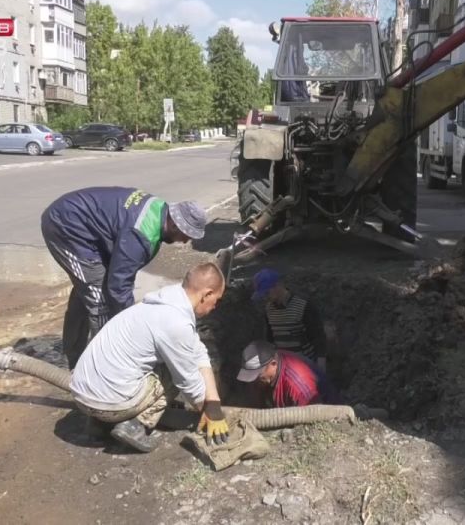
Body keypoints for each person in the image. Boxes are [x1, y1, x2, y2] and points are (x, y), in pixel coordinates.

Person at [69, 262, 229, 453]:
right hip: (109, 404)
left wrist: (213, 401)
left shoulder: (163, 304)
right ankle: (136, 425)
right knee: (172, 373)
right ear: (207, 294)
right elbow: (189, 381)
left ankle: (97, 426)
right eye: (216, 300)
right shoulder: (176, 324)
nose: (215, 307)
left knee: (171, 362)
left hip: (82, 395)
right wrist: (211, 413)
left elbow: (198, 352)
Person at [41, 186, 207, 368]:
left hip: (86, 227)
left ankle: (75, 357)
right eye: (186, 235)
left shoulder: (160, 209)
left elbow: (121, 275)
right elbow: (118, 286)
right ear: (175, 224)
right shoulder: (141, 235)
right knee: (99, 301)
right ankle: (99, 370)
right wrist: (131, 330)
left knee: (87, 291)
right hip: (67, 228)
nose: (185, 241)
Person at [252, 268, 328, 371]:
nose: (265, 297)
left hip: (305, 366)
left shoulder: (303, 305)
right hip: (284, 368)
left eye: (267, 293)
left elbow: (318, 336)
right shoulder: (269, 310)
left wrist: (320, 366)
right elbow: (270, 338)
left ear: (277, 286)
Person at [236, 340, 340, 408]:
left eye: (257, 375)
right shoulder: (263, 376)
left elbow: (314, 418)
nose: (254, 381)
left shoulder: (298, 384)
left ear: (273, 364)